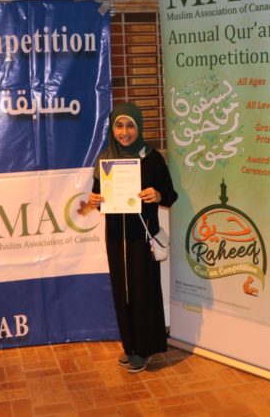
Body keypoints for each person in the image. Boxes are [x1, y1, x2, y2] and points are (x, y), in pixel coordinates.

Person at [88, 102, 178, 373]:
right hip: (116, 238)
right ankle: (130, 346)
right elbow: (99, 198)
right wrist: (95, 201)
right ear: (112, 128)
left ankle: (146, 348)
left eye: (130, 126)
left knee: (143, 291)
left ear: (139, 127)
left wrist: (158, 195)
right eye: (119, 126)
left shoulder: (152, 158)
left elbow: (170, 195)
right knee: (122, 292)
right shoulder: (105, 159)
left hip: (143, 237)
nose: (124, 132)